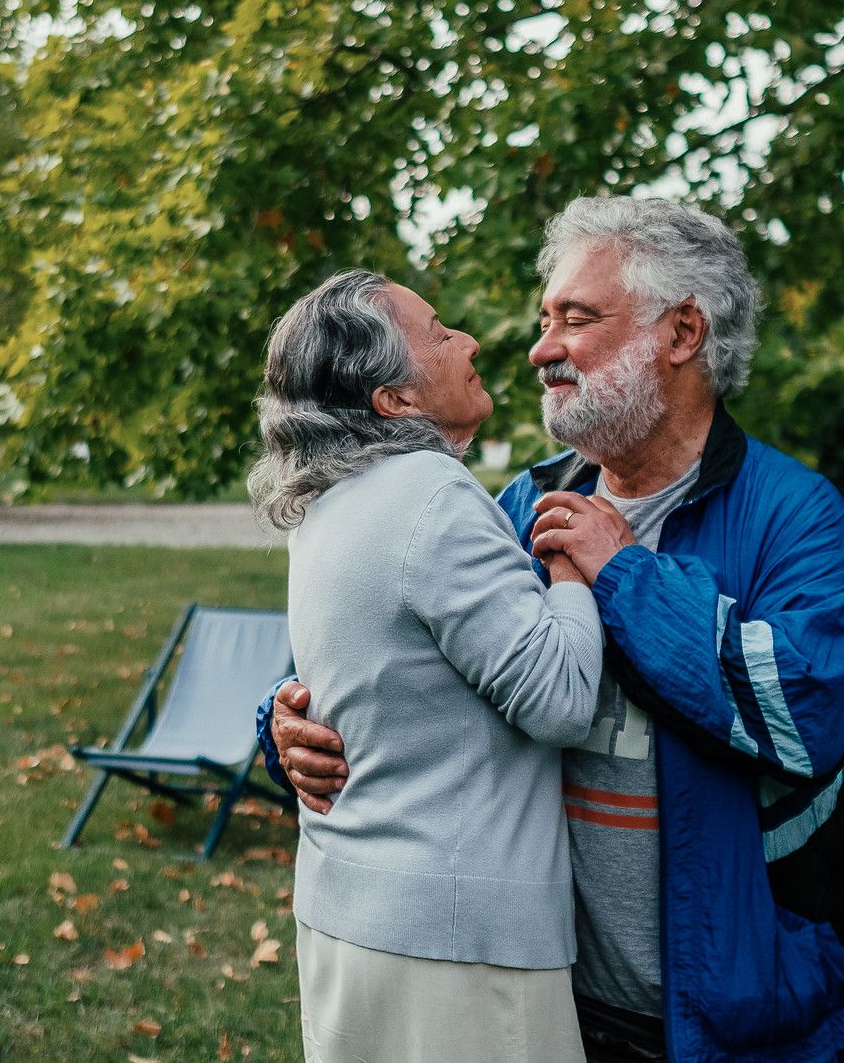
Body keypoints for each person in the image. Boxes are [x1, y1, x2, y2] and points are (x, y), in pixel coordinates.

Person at [262, 198, 844, 1063]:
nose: (540, 348)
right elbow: (390, 656)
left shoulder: (792, 514)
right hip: (551, 996)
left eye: (575, 319)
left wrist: (622, 573)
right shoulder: (516, 506)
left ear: (683, 331)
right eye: (545, 319)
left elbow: (802, 712)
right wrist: (286, 720)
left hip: (741, 1014)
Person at [248, 269, 604, 1063]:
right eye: (440, 333)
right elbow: (561, 698)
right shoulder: (431, 493)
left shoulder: (328, 503)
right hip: (456, 945)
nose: (471, 342)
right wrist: (578, 569)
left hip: (348, 911)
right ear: (394, 401)